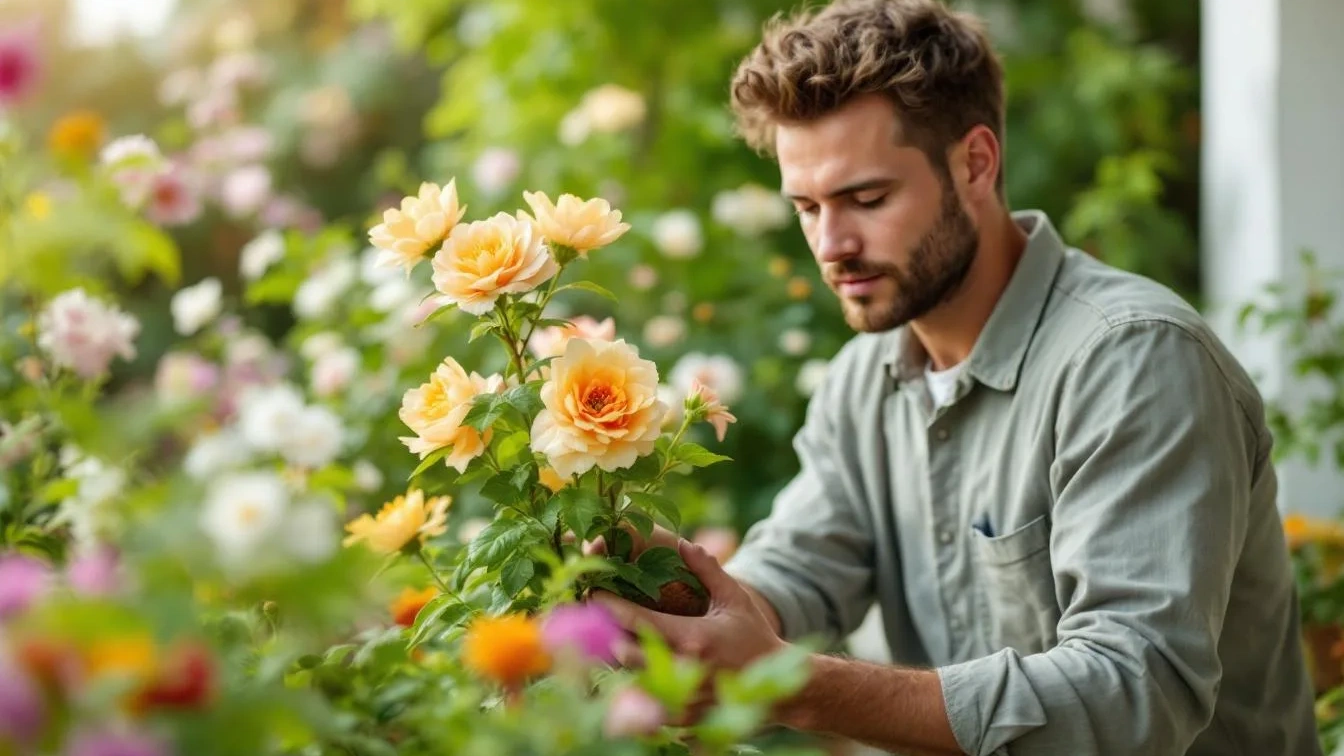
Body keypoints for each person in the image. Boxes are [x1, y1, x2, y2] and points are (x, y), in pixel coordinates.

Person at [590, 0, 1323, 754]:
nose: (831, 244)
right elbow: (804, 566)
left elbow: (1136, 692)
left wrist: (797, 684)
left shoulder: (1135, 361)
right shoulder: (863, 380)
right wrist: (683, 592)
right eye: (806, 207)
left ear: (976, 162)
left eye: (866, 199)